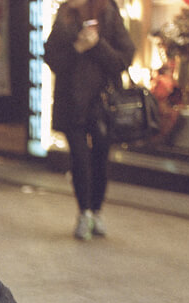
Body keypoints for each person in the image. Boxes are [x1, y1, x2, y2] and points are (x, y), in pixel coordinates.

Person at [44, 0, 134, 240]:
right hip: (71, 103)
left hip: (103, 105)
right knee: (79, 159)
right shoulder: (65, 14)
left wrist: (97, 45)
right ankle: (84, 213)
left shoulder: (109, 13)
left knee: (100, 158)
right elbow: (51, 57)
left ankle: (96, 211)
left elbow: (125, 58)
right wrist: (77, 48)